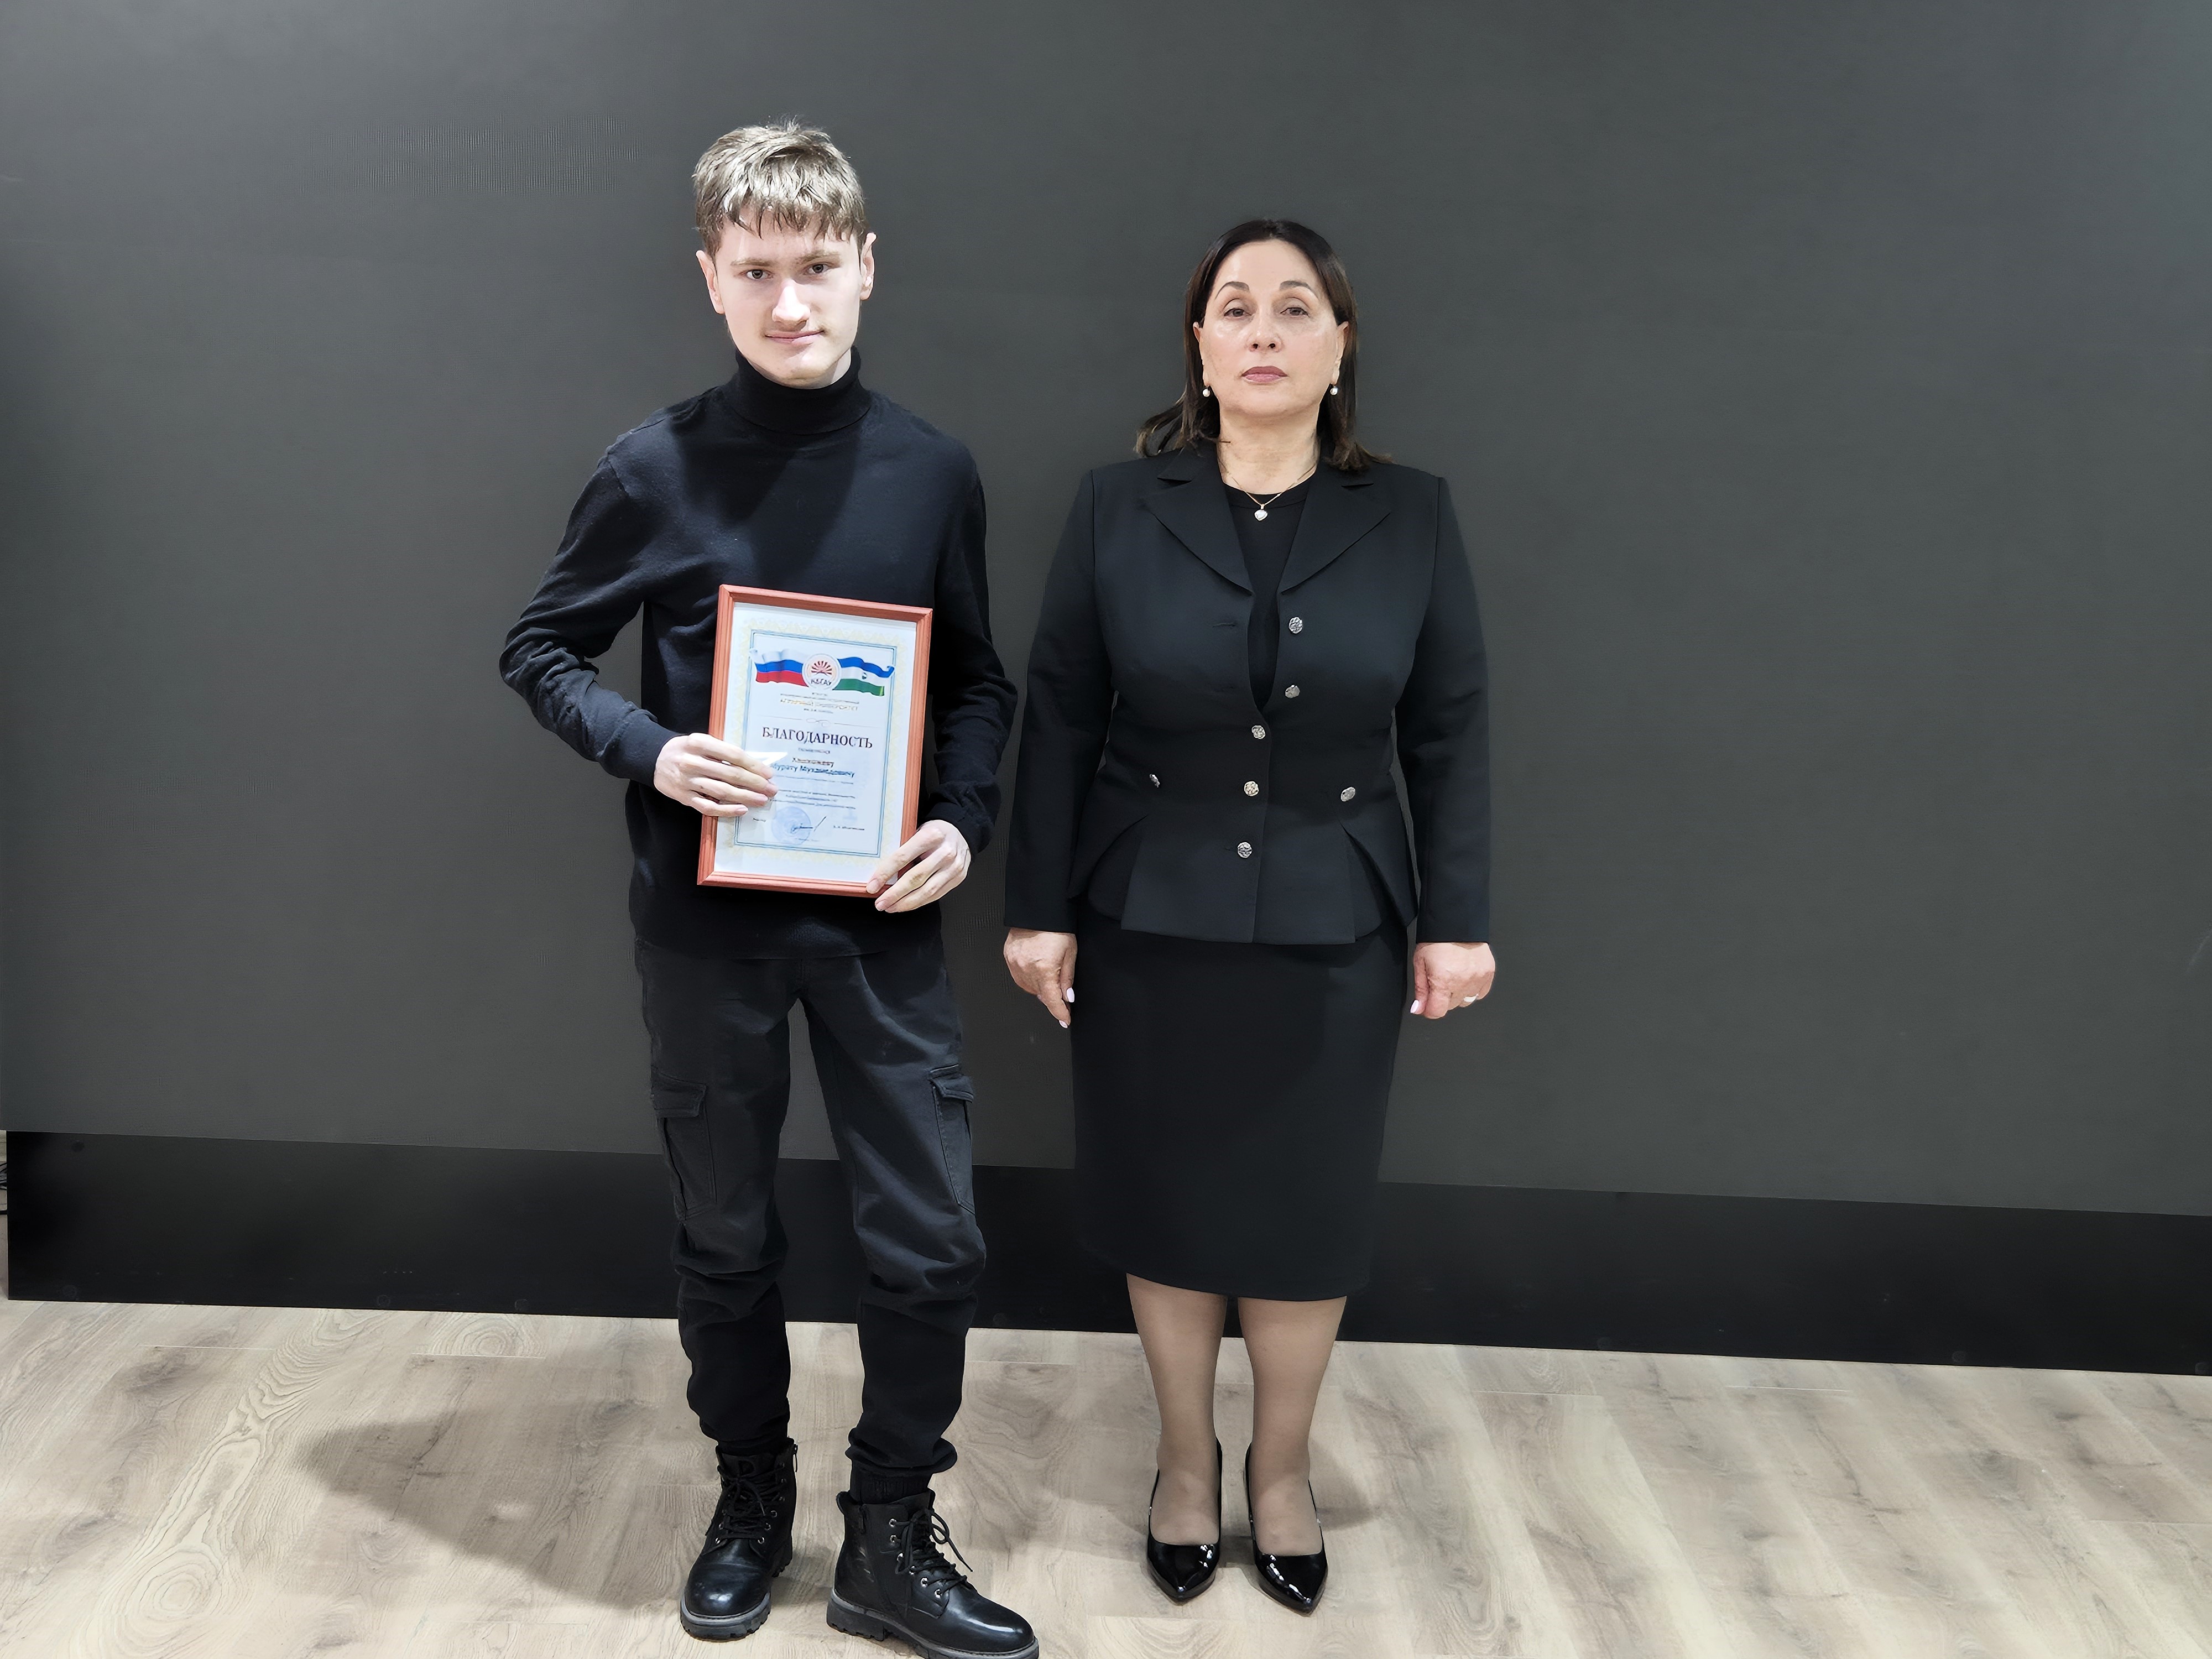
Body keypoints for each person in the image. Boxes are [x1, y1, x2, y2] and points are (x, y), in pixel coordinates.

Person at [502, 122, 1036, 1657]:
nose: (788, 302)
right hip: (706, 929)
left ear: (866, 266)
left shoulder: (931, 470)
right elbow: (538, 648)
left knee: (930, 1241)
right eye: (755, 273)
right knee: (727, 1236)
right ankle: (751, 1500)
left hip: (879, 922)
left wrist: (962, 819)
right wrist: (651, 750)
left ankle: (889, 1531)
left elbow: (976, 680)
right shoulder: (653, 467)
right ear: (710, 280)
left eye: (815, 267)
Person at [1001, 219, 1495, 1613]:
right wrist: (1035, 908)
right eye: (1235, 307)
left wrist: (1453, 917)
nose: (1263, 329)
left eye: (1294, 307)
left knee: (1302, 1208)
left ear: (1340, 347)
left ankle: (1280, 1468)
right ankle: (1181, 1458)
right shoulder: (1118, 504)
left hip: (1339, 917)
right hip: (1147, 910)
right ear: (1200, 346)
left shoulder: (1411, 514)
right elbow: (1061, 715)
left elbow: (1448, 726)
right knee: (1163, 1196)